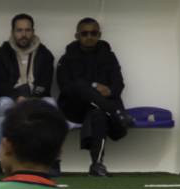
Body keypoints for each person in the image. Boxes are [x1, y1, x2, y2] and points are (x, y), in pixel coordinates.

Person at [57, 18, 134, 177]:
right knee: (78, 85)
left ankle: (97, 164)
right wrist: (93, 86)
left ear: (99, 35)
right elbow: (65, 88)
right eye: (85, 33)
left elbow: (118, 84)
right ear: (77, 35)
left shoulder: (109, 56)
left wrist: (110, 91)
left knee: (98, 114)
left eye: (94, 33)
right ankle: (115, 112)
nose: (89, 37)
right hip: (75, 108)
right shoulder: (67, 59)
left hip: (98, 109)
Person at [0, 14, 59, 177]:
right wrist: (17, 97)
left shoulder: (45, 54)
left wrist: (30, 99)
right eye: (19, 30)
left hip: (36, 98)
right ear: (12, 32)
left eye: (27, 30)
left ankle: (52, 161)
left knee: (51, 104)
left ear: (33, 31)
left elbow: (45, 85)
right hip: (8, 97)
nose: (24, 34)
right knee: (5, 104)